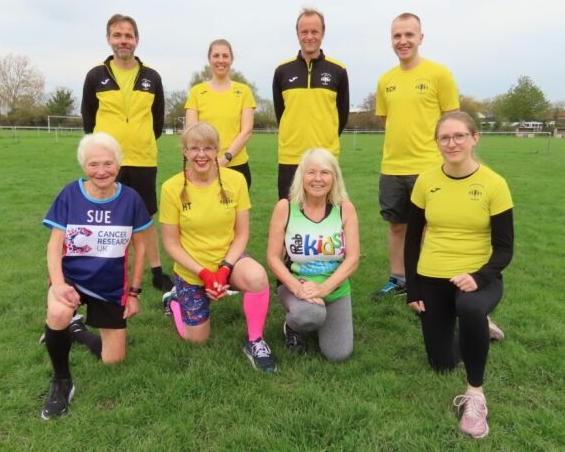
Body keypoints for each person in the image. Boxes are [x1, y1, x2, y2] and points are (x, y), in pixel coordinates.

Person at [404, 112, 514, 438]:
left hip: (478, 277)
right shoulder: (426, 182)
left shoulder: (494, 184)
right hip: (432, 276)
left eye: (459, 136)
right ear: (437, 143)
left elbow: (505, 248)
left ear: (474, 138)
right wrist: (413, 289)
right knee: (441, 363)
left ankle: (475, 396)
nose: (452, 143)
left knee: (470, 307)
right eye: (444, 138)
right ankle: (479, 327)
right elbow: (411, 240)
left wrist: (480, 276)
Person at [40, 133, 152, 419]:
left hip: (110, 284)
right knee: (57, 313)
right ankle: (62, 382)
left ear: (119, 163)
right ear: (83, 166)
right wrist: (59, 285)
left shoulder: (130, 199)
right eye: (93, 164)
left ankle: (77, 332)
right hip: (72, 280)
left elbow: (141, 247)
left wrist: (135, 292)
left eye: (107, 163)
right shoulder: (70, 194)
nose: (101, 171)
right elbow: (54, 246)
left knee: (113, 360)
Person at [159, 122, 276, 373]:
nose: (201, 154)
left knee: (257, 277)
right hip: (192, 270)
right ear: (185, 152)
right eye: (194, 148)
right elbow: (170, 243)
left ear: (217, 151)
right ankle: (175, 302)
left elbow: (242, 233)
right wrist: (204, 273)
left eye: (208, 148)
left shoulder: (236, 181)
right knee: (197, 340)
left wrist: (223, 270)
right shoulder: (171, 187)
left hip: (228, 263)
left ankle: (255, 340)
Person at [81, 13, 173, 293]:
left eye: (128, 35)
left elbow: (157, 120)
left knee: (145, 217)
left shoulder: (151, 77)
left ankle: (156, 271)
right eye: (118, 35)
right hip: (107, 163)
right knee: (105, 216)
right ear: (109, 39)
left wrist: (140, 140)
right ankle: (104, 268)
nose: (124, 41)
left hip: (143, 159)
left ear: (137, 40)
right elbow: (89, 118)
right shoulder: (96, 76)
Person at [373, 12, 459, 299]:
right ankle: (399, 278)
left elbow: (451, 120)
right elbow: (388, 120)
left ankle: (431, 279)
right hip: (393, 167)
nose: (403, 41)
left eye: (409, 35)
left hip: (429, 167)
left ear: (420, 37)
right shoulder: (386, 81)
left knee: (428, 229)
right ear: (391, 41)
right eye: (397, 35)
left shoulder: (439, 74)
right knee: (397, 226)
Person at [267, 148, 359, 361]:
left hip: (334, 288)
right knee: (309, 315)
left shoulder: (345, 209)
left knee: (338, 354)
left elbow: (353, 258)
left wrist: (324, 288)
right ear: (302, 176)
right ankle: (293, 326)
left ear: (334, 178)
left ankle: (322, 318)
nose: (318, 179)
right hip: (297, 286)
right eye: (311, 172)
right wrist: (299, 289)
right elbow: (273, 257)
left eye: (325, 172)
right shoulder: (285, 208)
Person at [272, 7, 349, 199]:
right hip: (290, 156)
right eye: (304, 32)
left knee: (327, 216)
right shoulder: (282, 70)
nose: (309, 37)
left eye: (314, 31)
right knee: (289, 214)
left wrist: (326, 138)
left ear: (323, 33)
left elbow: (342, 114)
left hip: (325, 157)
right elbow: (280, 112)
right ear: (297, 34)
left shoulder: (338, 70)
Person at [185, 39, 256, 189]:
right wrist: (208, 159)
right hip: (204, 166)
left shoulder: (244, 91)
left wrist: (225, 159)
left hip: (237, 166)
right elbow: (191, 131)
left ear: (231, 59)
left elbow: (246, 130)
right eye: (216, 56)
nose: (221, 60)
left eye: (225, 56)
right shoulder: (196, 92)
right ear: (209, 59)